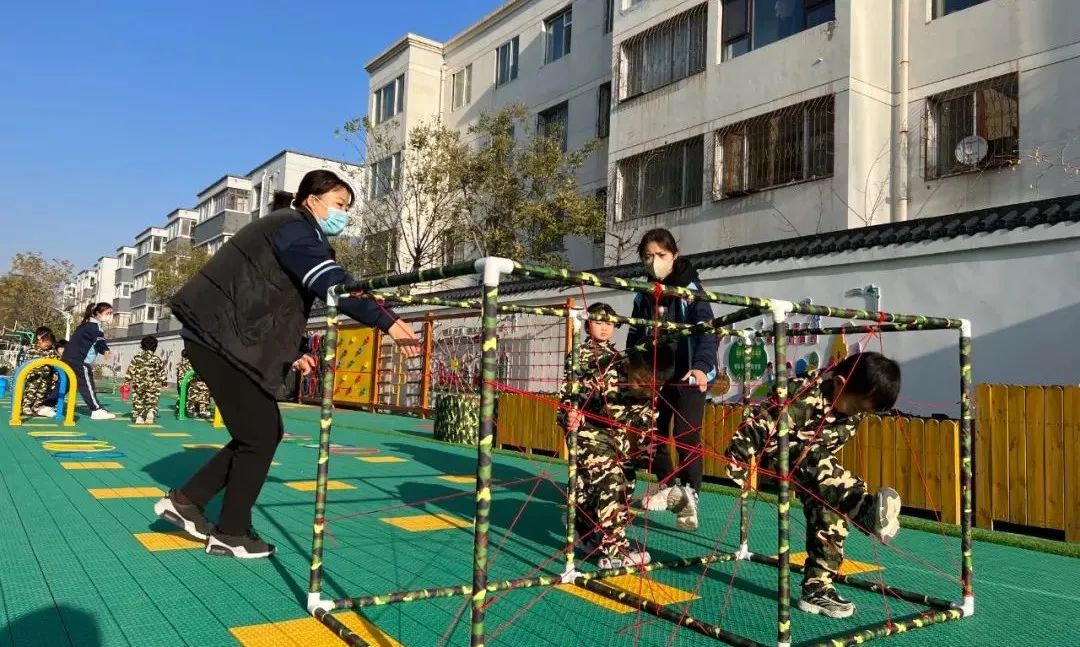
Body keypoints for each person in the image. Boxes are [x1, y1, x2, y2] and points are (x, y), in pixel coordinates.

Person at [155, 169, 420, 559]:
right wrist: (387, 321)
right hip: (218, 338)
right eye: (340, 204)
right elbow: (331, 282)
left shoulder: (293, 230)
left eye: (348, 208)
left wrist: (294, 352)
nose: (344, 215)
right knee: (260, 435)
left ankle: (188, 502)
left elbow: (270, 303)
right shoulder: (294, 228)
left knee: (261, 433)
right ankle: (229, 531)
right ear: (312, 199)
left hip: (223, 336)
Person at [723, 352, 903, 619]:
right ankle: (865, 509)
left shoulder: (850, 409)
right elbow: (758, 426)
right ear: (840, 384)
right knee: (820, 466)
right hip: (777, 453)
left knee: (831, 513)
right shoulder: (802, 395)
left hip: (814, 465)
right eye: (858, 407)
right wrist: (736, 463)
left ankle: (817, 588)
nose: (859, 415)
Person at [627, 229, 717, 531]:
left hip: (688, 372)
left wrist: (702, 367)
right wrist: (634, 369)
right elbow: (635, 335)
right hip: (656, 373)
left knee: (685, 434)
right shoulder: (643, 294)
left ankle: (691, 492)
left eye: (661, 255)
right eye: (648, 257)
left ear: (674, 256)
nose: (655, 262)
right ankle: (669, 486)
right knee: (650, 432)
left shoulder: (691, 289)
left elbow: (706, 330)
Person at [559, 302, 656, 569]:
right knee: (610, 482)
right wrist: (568, 415)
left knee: (624, 482)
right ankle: (615, 550)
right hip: (588, 433)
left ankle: (584, 528)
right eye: (598, 322)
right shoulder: (579, 355)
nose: (604, 327)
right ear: (588, 324)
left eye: (609, 323)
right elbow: (567, 394)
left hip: (616, 436)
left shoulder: (620, 357)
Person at [61, 303, 116, 420]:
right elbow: (99, 341)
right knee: (86, 384)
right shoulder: (94, 327)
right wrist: (105, 351)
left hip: (68, 358)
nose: (110, 316)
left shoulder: (85, 325)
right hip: (79, 360)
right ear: (97, 313)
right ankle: (96, 410)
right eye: (107, 313)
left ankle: (47, 405)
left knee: (66, 383)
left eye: (111, 313)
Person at [126, 336, 167, 425]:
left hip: (139, 384)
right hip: (153, 384)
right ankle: (150, 412)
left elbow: (131, 370)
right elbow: (161, 372)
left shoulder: (136, 358)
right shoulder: (156, 359)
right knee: (152, 399)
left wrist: (127, 381)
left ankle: (139, 417)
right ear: (155, 347)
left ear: (142, 346)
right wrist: (164, 382)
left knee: (138, 399)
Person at [21, 327, 59, 418]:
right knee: (31, 391)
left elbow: (57, 363)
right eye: (46, 346)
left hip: (45, 376)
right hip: (33, 375)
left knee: (42, 392)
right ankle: (26, 406)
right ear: (40, 340)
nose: (47, 348)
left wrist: (56, 373)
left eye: (49, 346)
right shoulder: (32, 349)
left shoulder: (51, 351)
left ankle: (36, 407)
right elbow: (26, 361)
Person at [176, 348, 212, 419]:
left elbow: (180, 377)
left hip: (189, 384)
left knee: (191, 396)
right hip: (195, 383)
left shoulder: (181, 364)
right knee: (202, 394)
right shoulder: (197, 363)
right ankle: (202, 411)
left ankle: (191, 410)